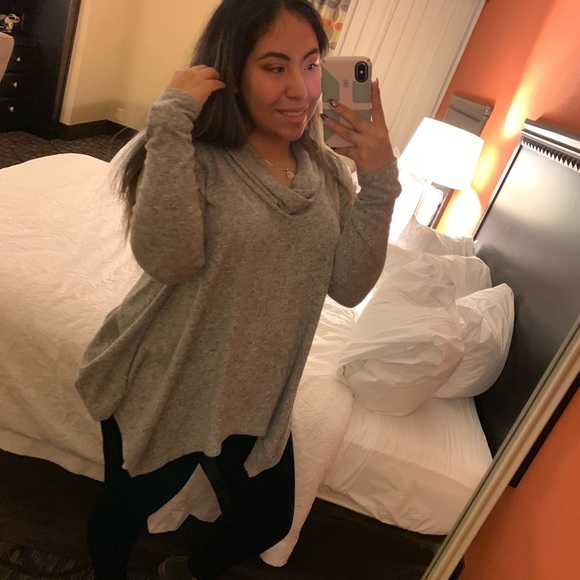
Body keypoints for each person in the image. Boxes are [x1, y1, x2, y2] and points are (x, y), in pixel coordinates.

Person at [74, 0, 401, 578]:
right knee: (126, 512)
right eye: (275, 67)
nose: (302, 89)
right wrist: (169, 121)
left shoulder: (326, 173)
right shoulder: (194, 155)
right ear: (231, 70)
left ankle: (187, 572)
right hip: (168, 379)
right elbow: (170, 261)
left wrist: (379, 181)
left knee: (267, 518)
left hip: (255, 395)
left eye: (311, 64)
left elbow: (349, 287)